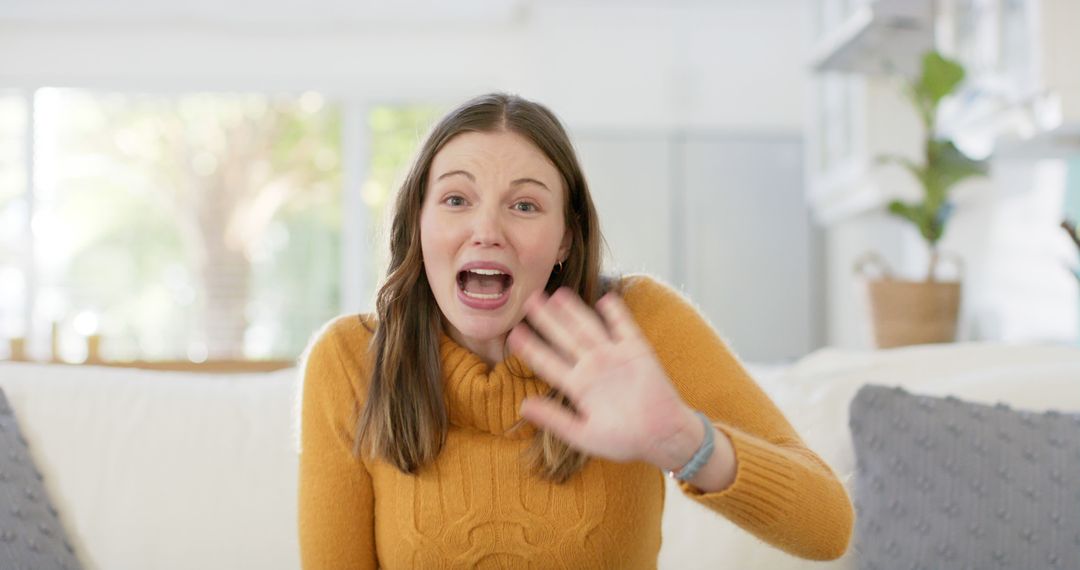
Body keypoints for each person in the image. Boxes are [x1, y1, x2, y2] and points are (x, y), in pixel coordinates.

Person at [298, 93, 853, 569]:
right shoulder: (351, 361)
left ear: (565, 239)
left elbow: (828, 527)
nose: (486, 230)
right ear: (418, 224)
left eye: (524, 204)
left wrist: (683, 441)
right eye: (456, 199)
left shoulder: (634, 325)